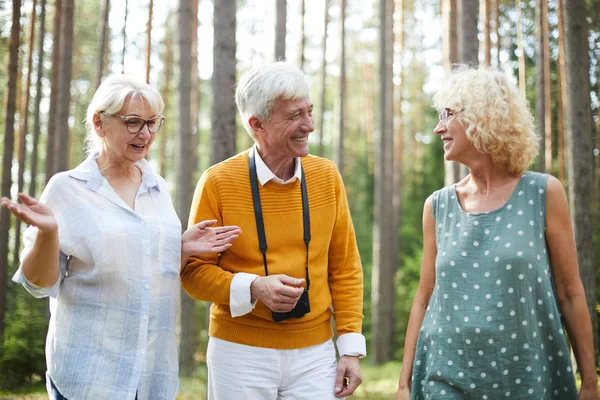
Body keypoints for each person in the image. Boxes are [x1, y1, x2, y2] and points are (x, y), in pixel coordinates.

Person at [2, 75, 241, 400]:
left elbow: (146, 269)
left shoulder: (158, 188)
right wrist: (49, 234)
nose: (145, 134)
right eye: (133, 123)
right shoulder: (67, 189)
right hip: (89, 377)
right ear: (99, 123)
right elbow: (39, 284)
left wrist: (179, 248)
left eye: (152, 123)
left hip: (151, 374)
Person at [395, 67, 598, 400]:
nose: (438, 128)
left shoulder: (542, 193)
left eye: (448, 114)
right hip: (444, 374)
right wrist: (404, 384)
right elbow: (423, 297)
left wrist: (589, 382)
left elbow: (570, 292)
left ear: (482, 116)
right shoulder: (438, 206)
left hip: (524, 375)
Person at [180, 61, 365, 399]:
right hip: (238, 354)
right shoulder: (218, 182)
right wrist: (253, 287)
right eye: (294, 116)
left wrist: (350, 348)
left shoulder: (327, 176)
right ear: (257, 124)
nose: (308, 125)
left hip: (316, 353)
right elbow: (193, 273)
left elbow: (345, 267)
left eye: (309, 111)